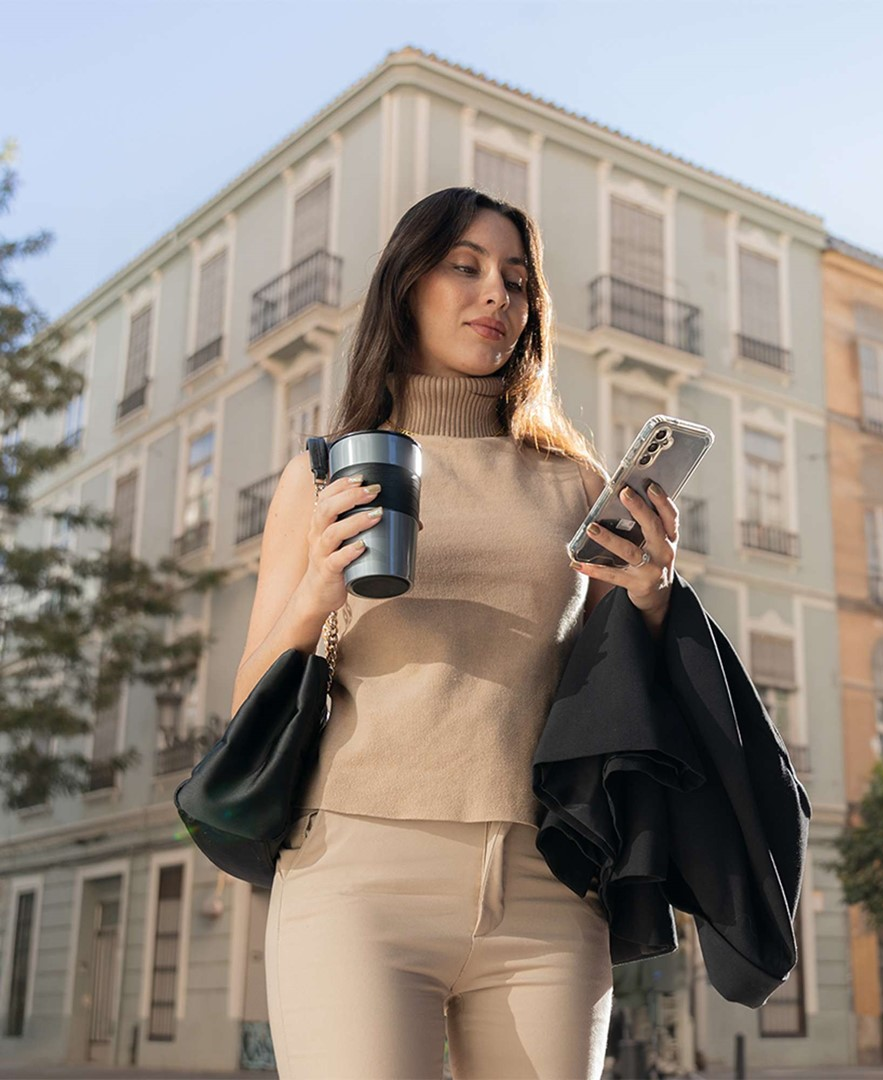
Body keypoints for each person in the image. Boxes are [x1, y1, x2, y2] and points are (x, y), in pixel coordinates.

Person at [230, 187, 680, 1080]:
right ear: (406, 286)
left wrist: (656, 595)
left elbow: (613, 695)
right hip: (359, 877)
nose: (496, 297)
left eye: (516, 280)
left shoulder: (574, 480)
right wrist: (319, 589)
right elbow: (250, 700)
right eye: (465, 268)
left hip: (549, 885)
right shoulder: (323, 471)